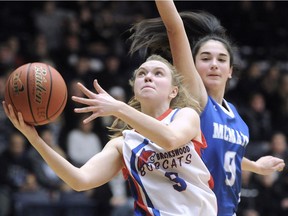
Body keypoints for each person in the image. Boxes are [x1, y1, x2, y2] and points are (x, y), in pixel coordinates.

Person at [2, 2, 217, 215]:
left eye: (158, 73)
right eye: (142, 74)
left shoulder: (186, 115)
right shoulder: (123, 144)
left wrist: (119, 108)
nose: (148, 76)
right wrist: (34, 139)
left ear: (173, 91)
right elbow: (79, 180)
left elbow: (169, 139)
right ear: (136, 91)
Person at [128, 1, 285, 215]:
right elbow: (175, 30)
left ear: (230, 70)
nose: (214, 64)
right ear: (192, 65)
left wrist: (255, 166)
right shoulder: (197, 101)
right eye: (205, 58)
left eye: (221, 59)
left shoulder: (237, 116)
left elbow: (221, 154)